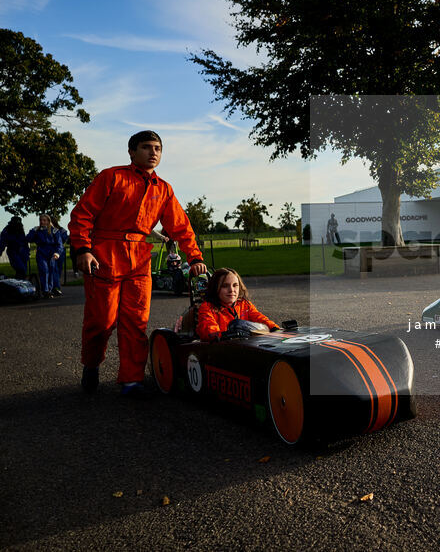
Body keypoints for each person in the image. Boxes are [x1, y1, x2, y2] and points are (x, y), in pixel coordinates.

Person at [69, 130, 207, 398]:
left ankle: (131, 380)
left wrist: (195, 257)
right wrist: (83, 249)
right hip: (104, 256)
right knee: (102, 321)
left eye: (157, 148)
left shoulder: (164, 189)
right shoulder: (112, 177)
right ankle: (92, 363)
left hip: (139, 260)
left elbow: (180, 226)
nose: (153, 152)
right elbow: (81, 215)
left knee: (136, 321)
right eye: (146, 147)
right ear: (132, 152)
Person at [196, 268, 280, 341]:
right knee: (236, 325)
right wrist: (225, 335)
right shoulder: (207, 307)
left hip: (245, 345)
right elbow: (208, 330)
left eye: (235, 285)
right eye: (225, 286)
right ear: (215, 288)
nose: (231, 290)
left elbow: (259, 318)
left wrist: (274, 328)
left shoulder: (244, 304)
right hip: (220, 348)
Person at [26, 214, 64, 298]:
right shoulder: (37, 230)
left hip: (52, 254)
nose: (42, 222)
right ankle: (45, 291)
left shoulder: (55, 231)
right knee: (44, 270)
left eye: (44, 220)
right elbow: (28, 239)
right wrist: (33, 231)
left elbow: (59, 244)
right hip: (41, 253)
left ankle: (49, 290)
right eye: (40, 220)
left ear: (48, 221)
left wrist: (57, 252)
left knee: (51, 271)